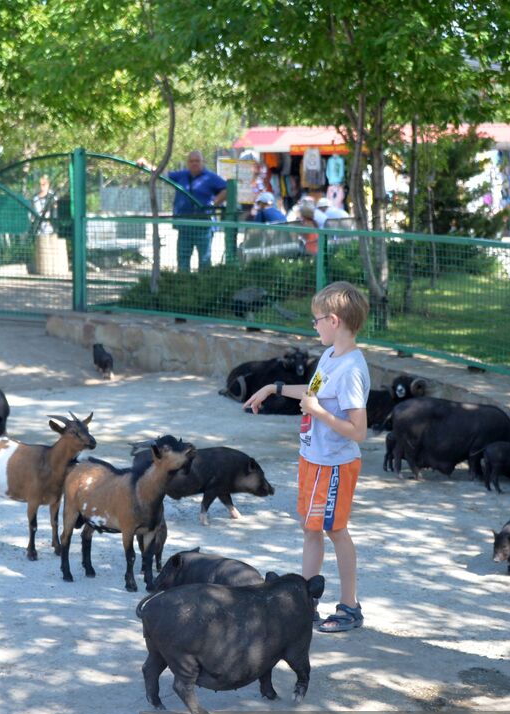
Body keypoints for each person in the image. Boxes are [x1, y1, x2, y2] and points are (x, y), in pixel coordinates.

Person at [242, 282, 370, 634]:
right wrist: (273, 388)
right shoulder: (330, 357)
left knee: (335, 530)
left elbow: (358, 430)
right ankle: (305, 603)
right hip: (312, 458)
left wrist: (318, 412)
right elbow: (314, 392)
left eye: (316, 321)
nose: (313, 327)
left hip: (334, 464)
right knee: (310, 528)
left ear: (333, 320)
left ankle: (350, 606)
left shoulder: (352, 369)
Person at [137, 151, 228, 272]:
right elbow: (162, 174)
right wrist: (146, 164)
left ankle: (205, 285)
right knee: (183, 258)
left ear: (202, 162)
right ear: (187, 163)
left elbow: (227, 189)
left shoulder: (210, 177)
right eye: (191, 161)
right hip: (184, 224)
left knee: (204, 260)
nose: (194, 163)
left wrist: (213, 204)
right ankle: (183, 283)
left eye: (197, 161)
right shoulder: (181, 175)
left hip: (203, 225)